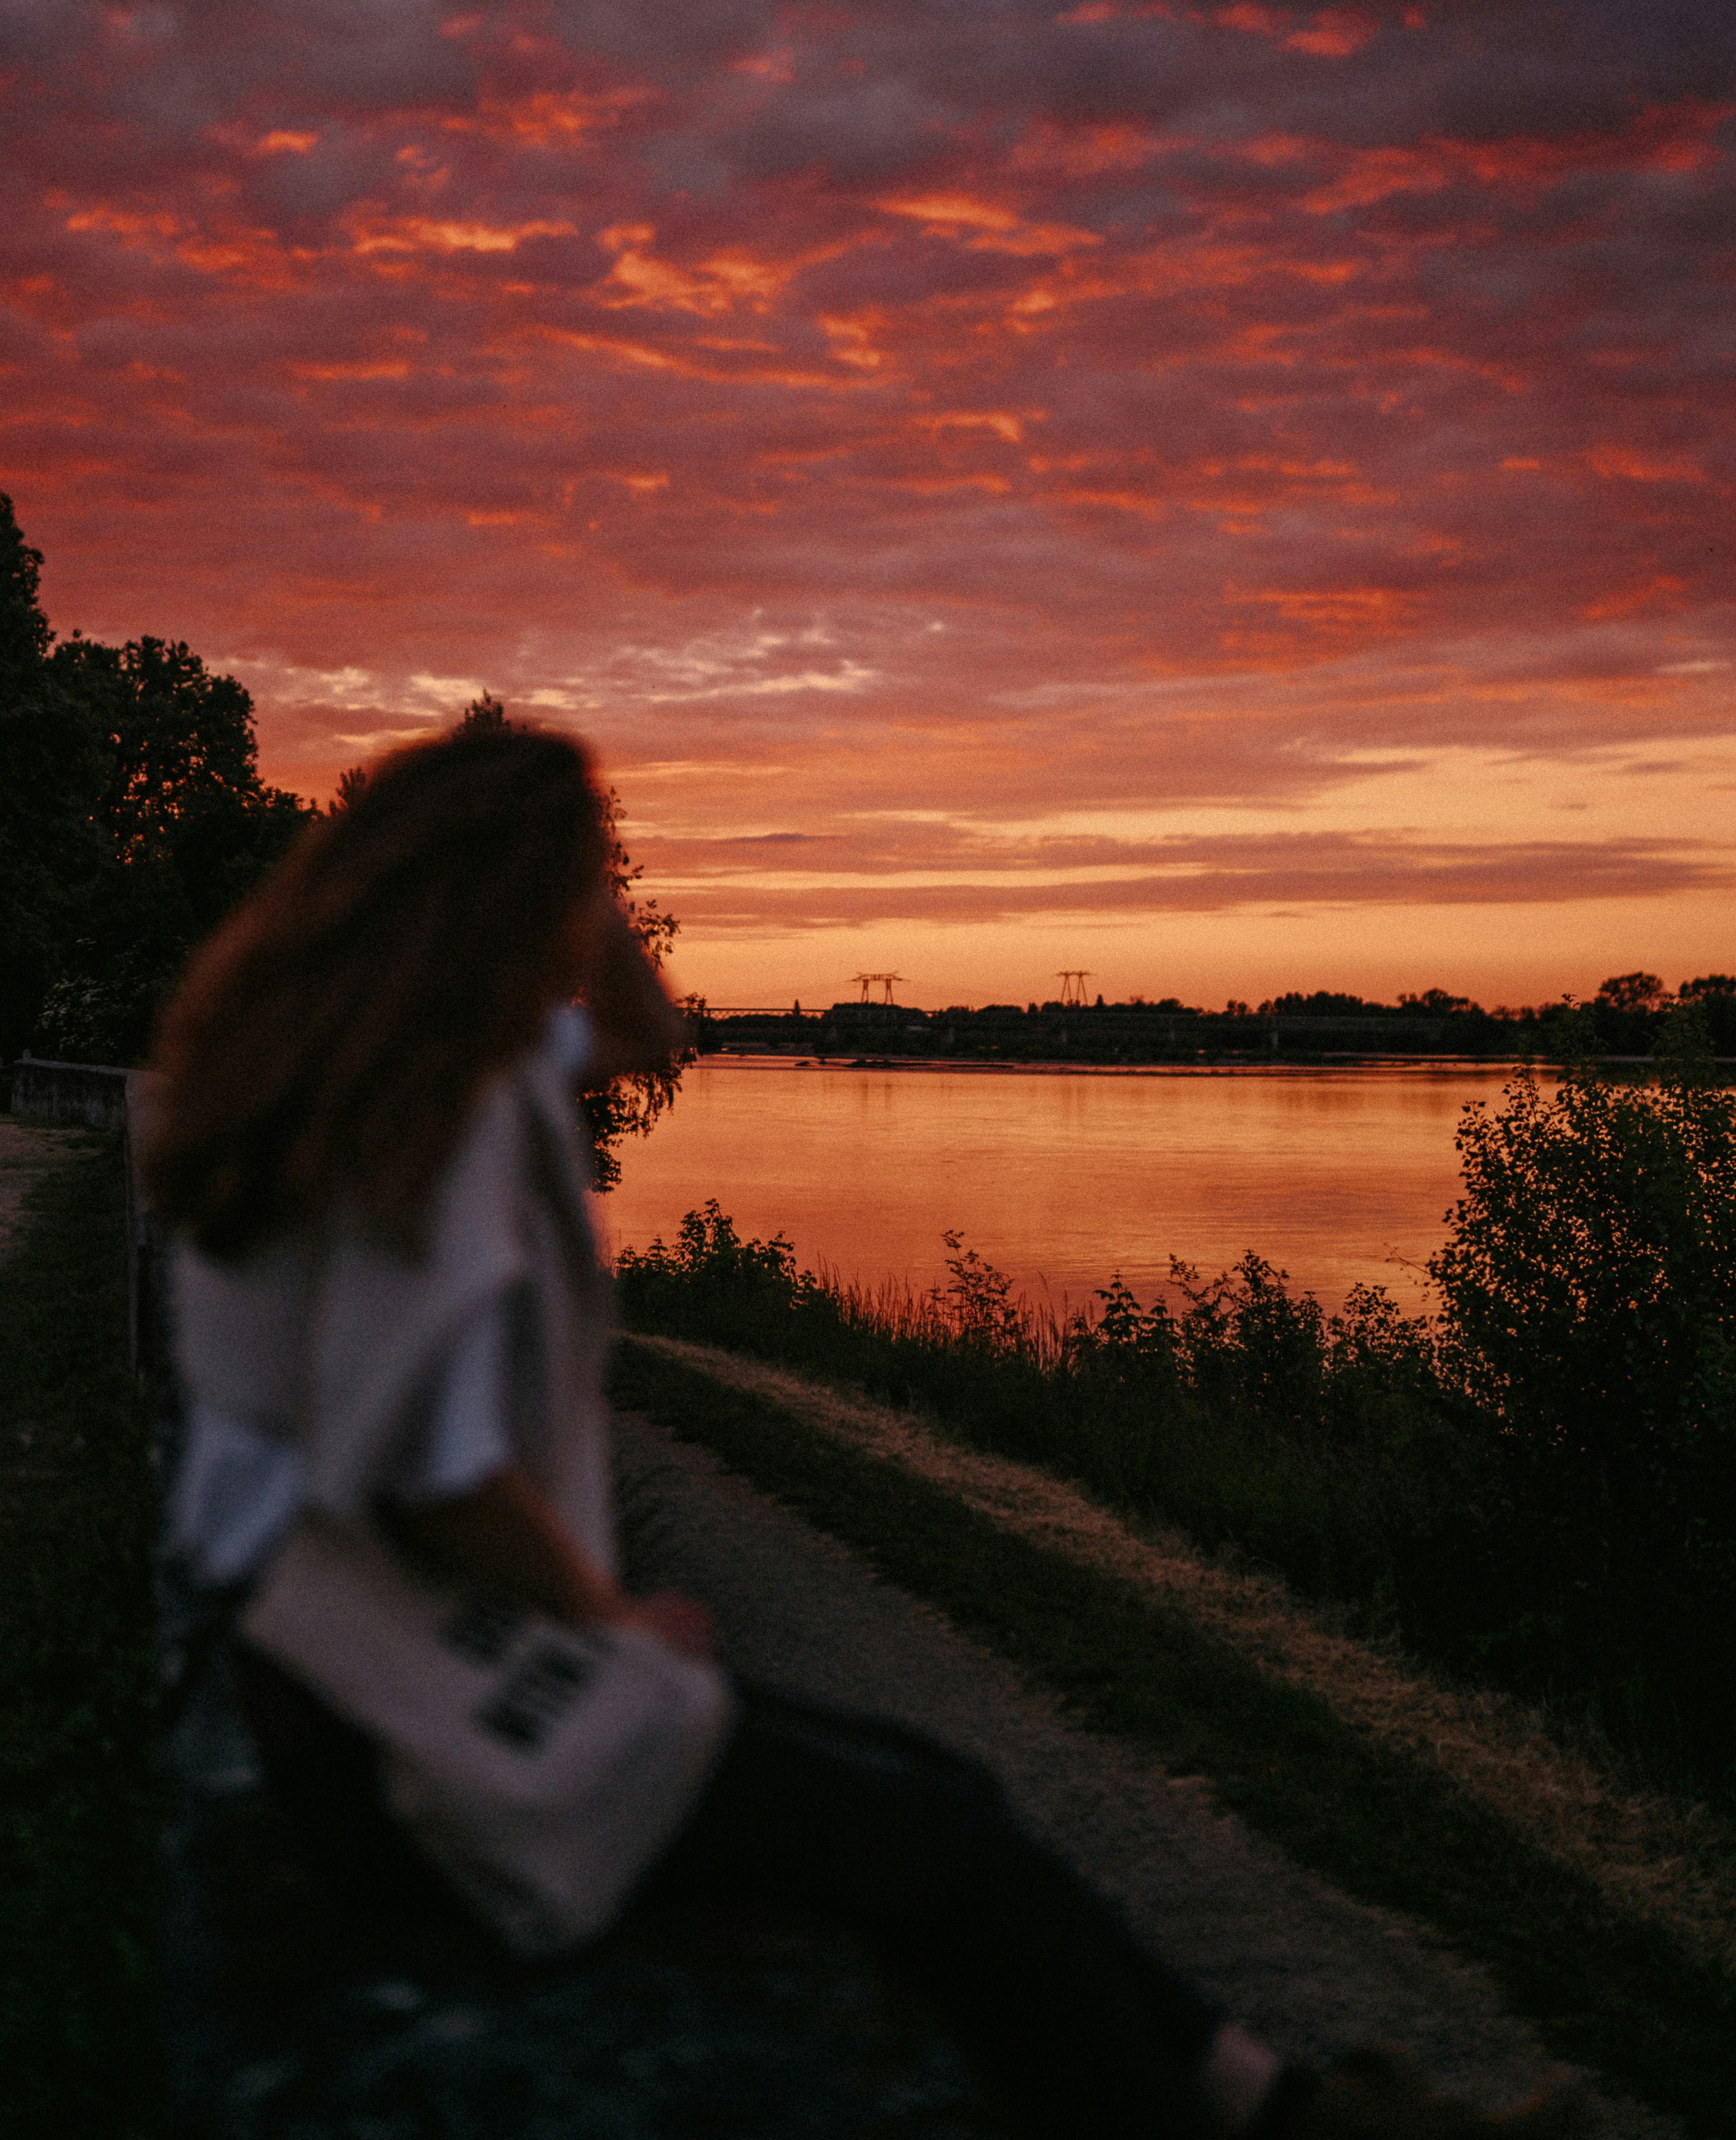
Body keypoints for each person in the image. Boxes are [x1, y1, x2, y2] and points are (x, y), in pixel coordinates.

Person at [147, 722, 1575, 2140]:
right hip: (406, 1739)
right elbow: (432, 1474)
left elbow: (652, 1037)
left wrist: (581, 911)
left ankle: (1298, 2112)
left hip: (328, 1697)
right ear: (529, 898)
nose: (613, 921)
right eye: (595, 889)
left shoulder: (336, 1084)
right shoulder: (451, 1118)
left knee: (940, 1794)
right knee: (941, 1846)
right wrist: (611, 1618)